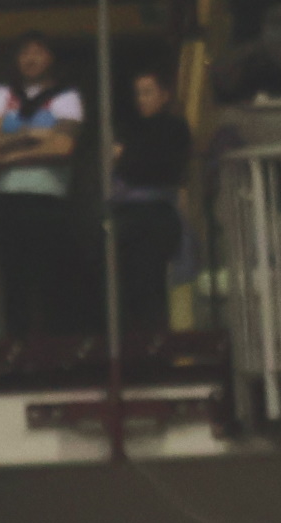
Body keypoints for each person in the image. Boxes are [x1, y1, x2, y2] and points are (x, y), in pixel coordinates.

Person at [0, 36, 84, 338]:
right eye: (24, 52)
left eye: (38, 52)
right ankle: (17, 349)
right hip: (7, 200)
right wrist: (32, 136)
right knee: (14, 281)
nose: (30, 58)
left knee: (50, 280)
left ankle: (52, 350)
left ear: (51, 58)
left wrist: (10, 151)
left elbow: (62, 147)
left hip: (49, 200)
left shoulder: (66, 97)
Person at [110, 70, 191, 334]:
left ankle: (155, 338)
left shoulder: (175, 128)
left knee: (152, 281)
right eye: (138, 94)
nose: (142, 99)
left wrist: (128, 158)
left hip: (157, 213)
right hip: (128, 213)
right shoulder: (130, 128)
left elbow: (159, 168)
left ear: (164, 95)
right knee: (128, 285)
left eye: (148, 92)